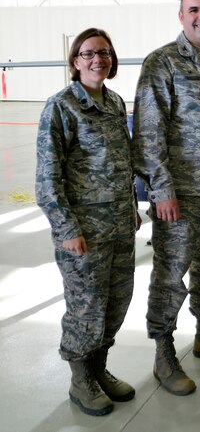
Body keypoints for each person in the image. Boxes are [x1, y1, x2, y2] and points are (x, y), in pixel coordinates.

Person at [133, 0, 200, 397]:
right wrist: (161, 190)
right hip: (179, 194)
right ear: (181, 16)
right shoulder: (162, 62)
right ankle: (163, 351)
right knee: (170, 273)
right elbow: (148, 131)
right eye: (193, 9)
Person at [36, 28, 140, 416]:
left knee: (116, 301)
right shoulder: (61, 107)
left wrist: (131, 208)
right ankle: (81, 379)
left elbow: (122, 163)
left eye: (105, 53)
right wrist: (67, 229)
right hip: (84, 231)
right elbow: (47, 178)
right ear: (75, 61)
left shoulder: (114, 102)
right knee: (86, 306)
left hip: (119, 225)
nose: (98, 59)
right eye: (89, 53)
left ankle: (98, 369)